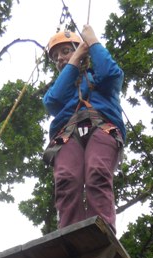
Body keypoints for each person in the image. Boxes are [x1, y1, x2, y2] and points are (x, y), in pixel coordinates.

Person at [43, 25, 126, 233]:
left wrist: (92, 41)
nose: (60, 59)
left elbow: (111, 74)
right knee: (66, 180)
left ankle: (102, 231)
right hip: (67, 133)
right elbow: (53, 101)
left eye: (65, 51)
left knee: (97, 172)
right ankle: (70, 233)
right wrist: (75, 57)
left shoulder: (98, 78)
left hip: (102, 126)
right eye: (55, 58)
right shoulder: (63, 88)